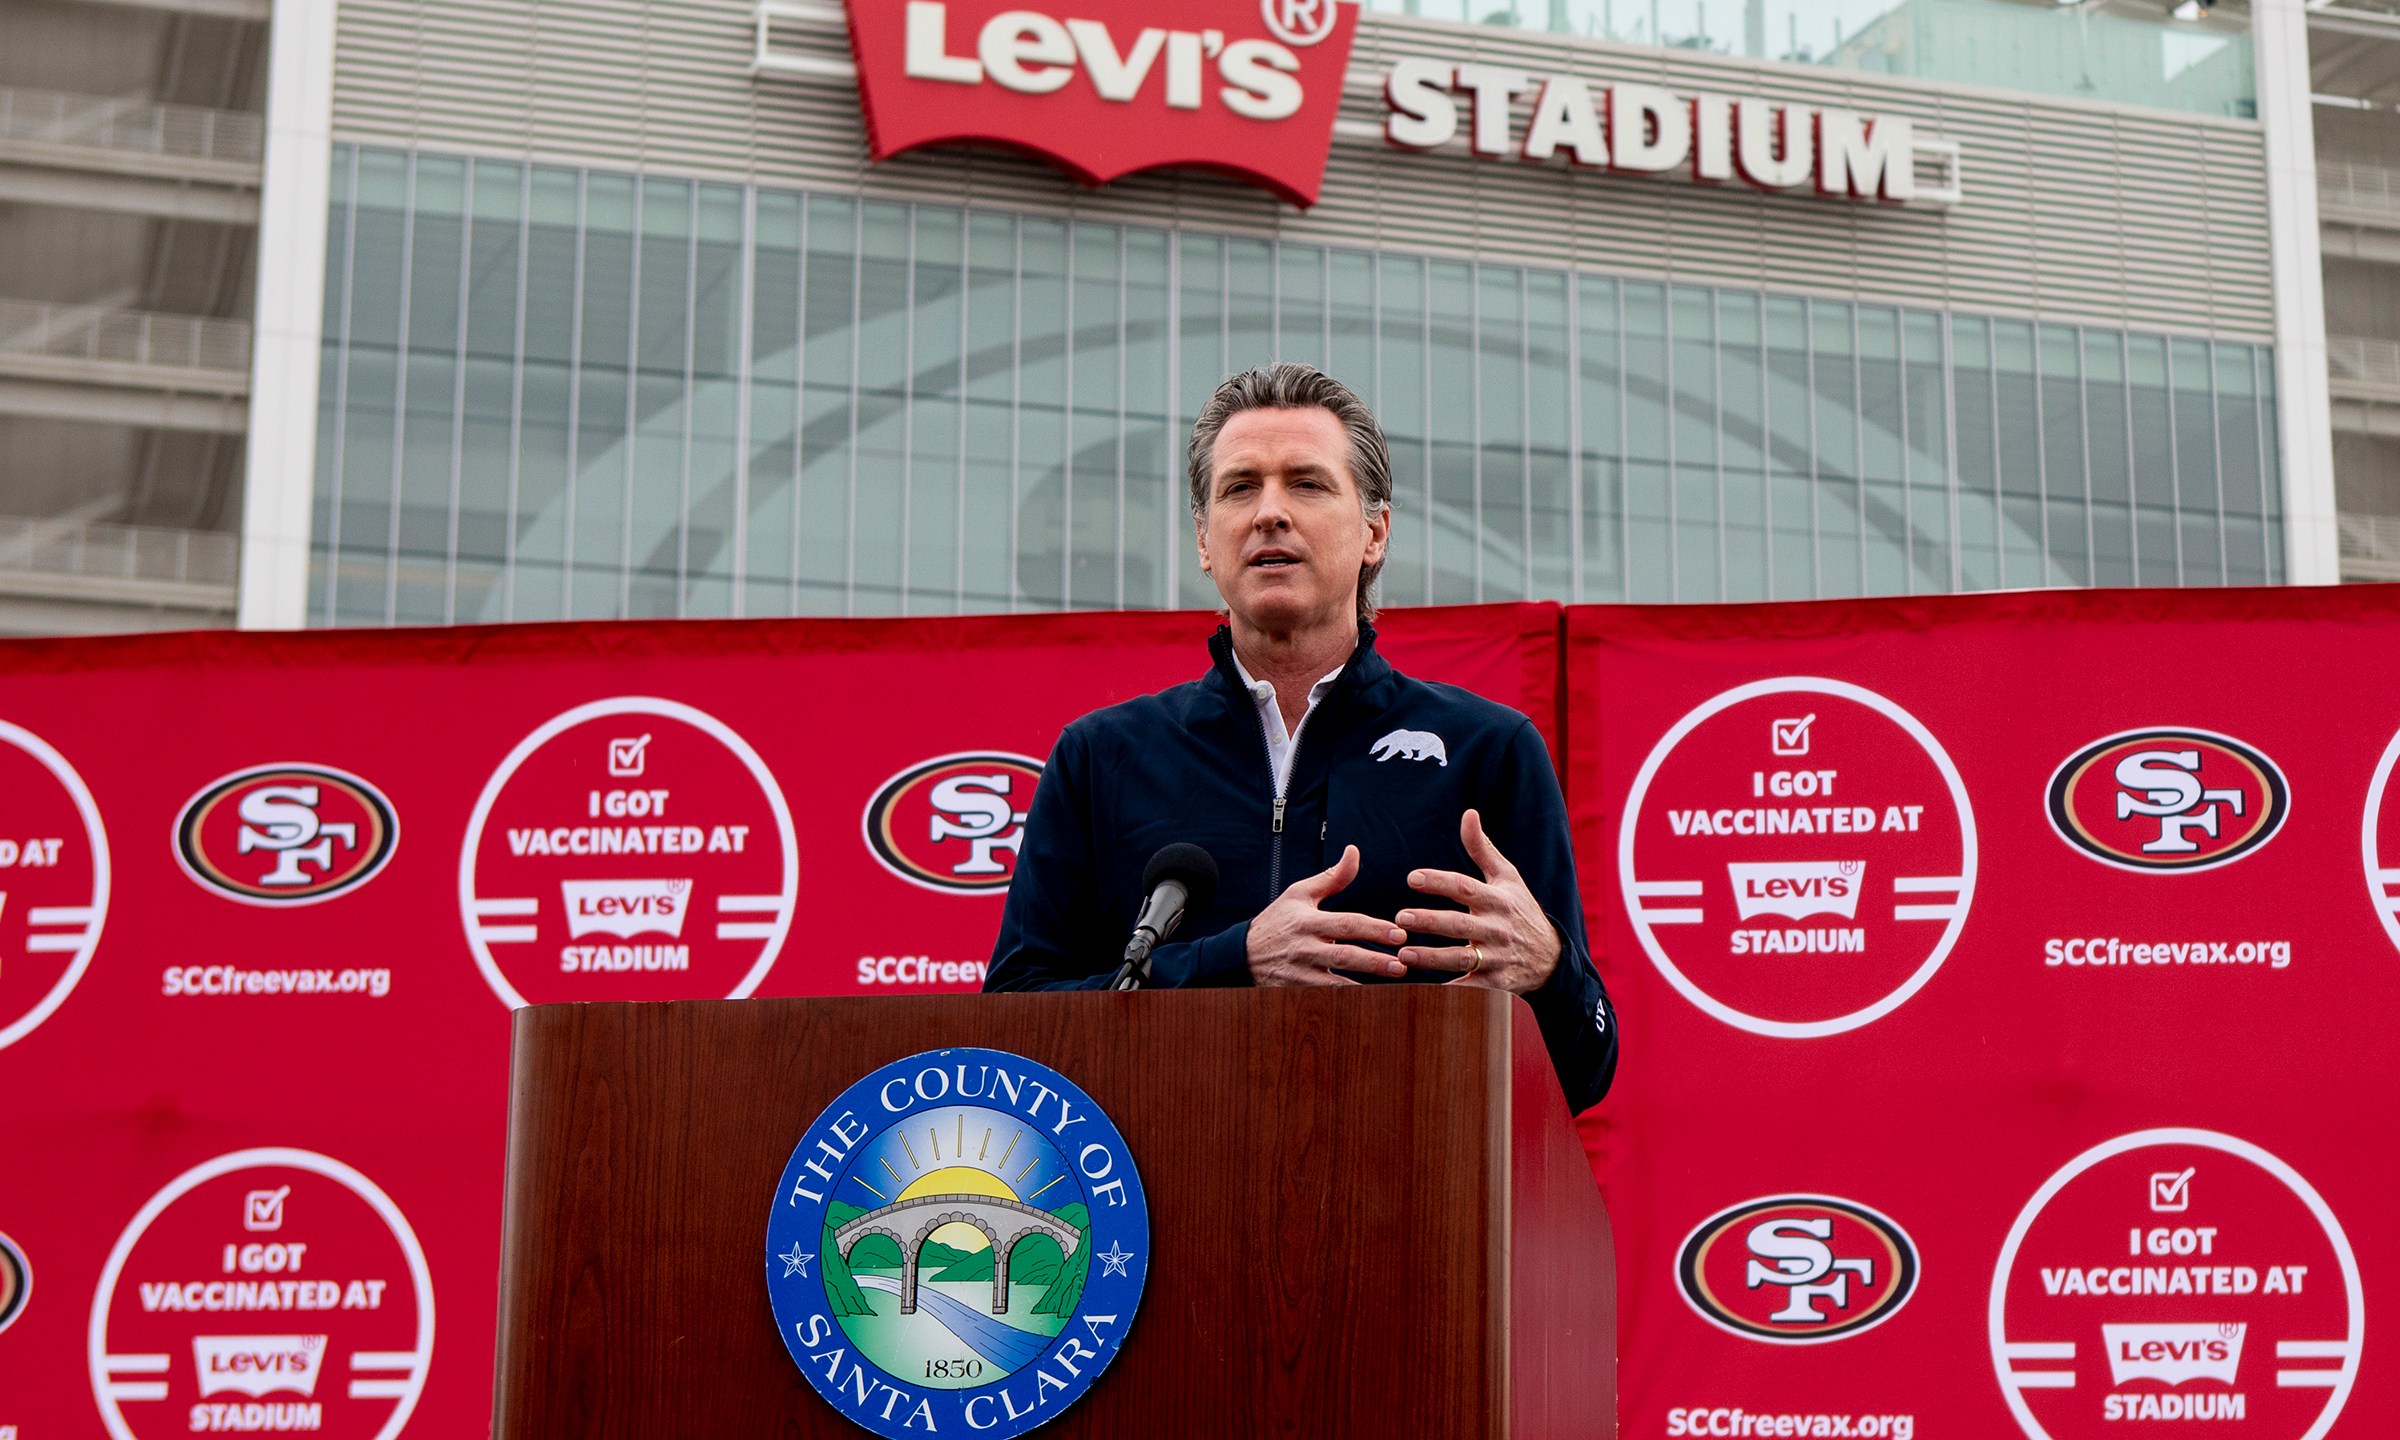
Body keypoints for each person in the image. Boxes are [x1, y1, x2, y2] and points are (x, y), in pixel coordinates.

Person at [983, 363, 1616, 1112]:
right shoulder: (1101, 756)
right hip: (1163, 1207)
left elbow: (1586, 1072)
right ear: (1204, 542)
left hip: (1411, 1207)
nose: (1269, 513)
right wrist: (1234, 961)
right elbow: (1014, 1031)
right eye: (1240, 487)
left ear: (1375, 531)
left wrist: (1550, 971)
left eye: (1307, 484)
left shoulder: (1489, 750)